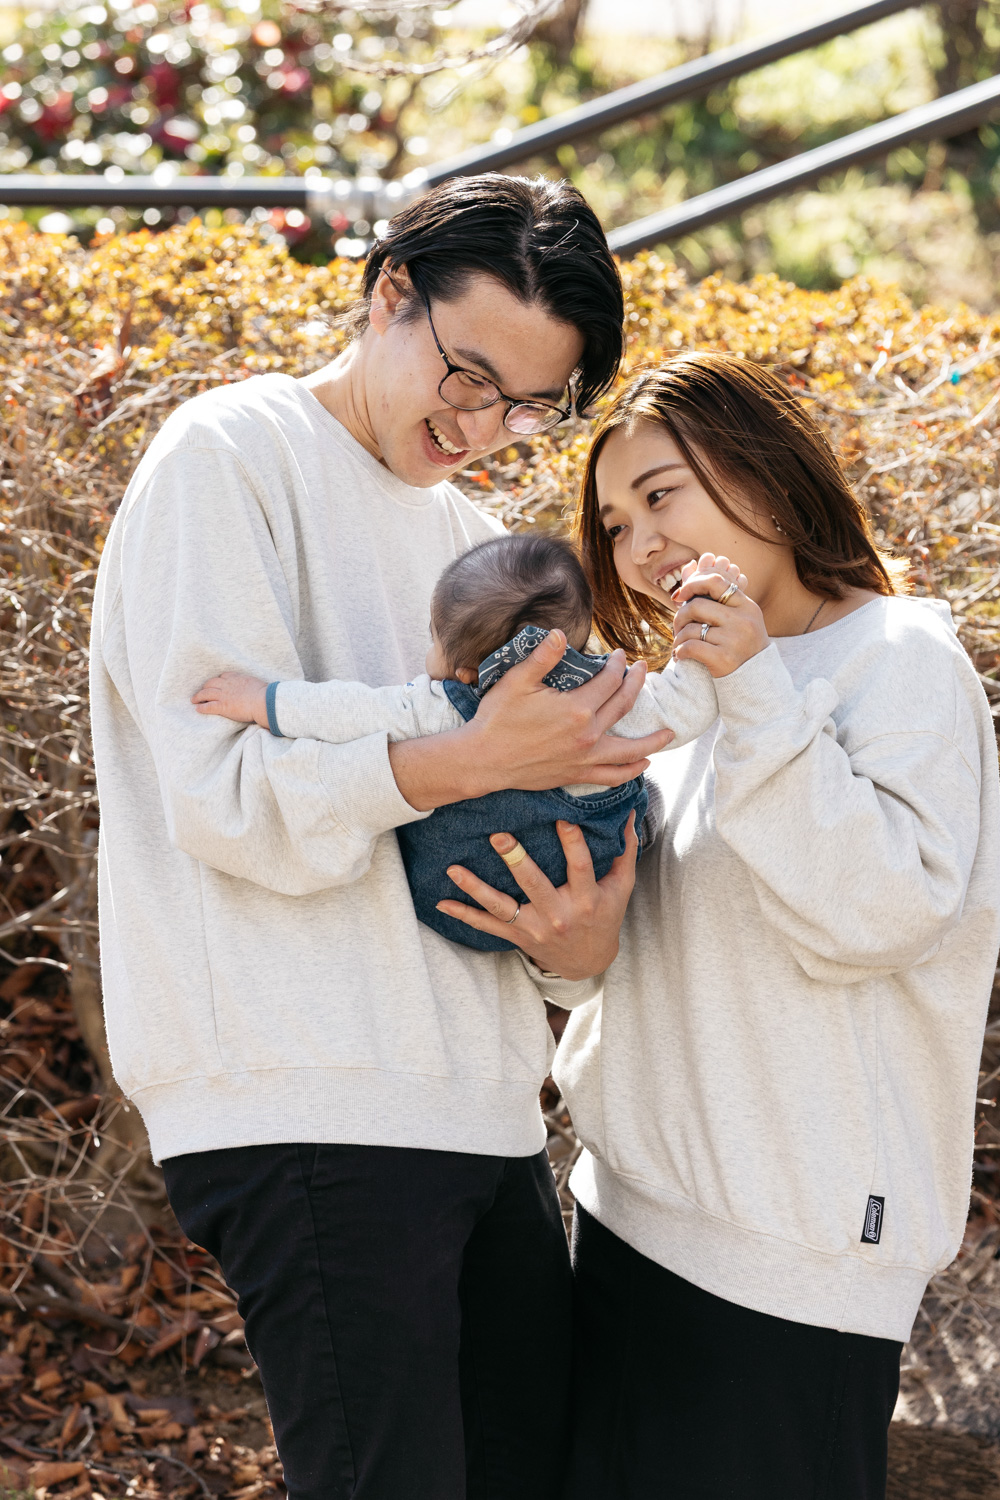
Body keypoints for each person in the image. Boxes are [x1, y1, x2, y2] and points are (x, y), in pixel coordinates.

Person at [89, 174, 675, 1500]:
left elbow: (518, 838)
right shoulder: (228, 455)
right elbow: (224, 798)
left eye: (531, 405)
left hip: (486, 1116)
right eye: (468, 376)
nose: (482, 426)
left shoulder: (480, 546)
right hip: (306, 1098)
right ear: (388, 293)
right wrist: (457, 759)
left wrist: (578, 950)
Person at [440, 353, 1000, 1498]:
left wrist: (751, 687)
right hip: (622, 1221)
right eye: (613, 523)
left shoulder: (898, 659)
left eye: (662, 495)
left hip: (793, 1271)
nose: (638, 543)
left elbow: (876, 916)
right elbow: (657, 955)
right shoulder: (688, 695)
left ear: (765, 474)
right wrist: (576, 958)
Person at [191, 531, 733, 949]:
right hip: (570, 898)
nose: (426, 653)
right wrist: (703, 617)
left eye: (433, 638)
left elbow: (345, 711)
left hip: (453, 897)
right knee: (645, 797)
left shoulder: (438, 706)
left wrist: (262, 700)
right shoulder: (611, 696)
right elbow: (689, 707)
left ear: (465, 669)